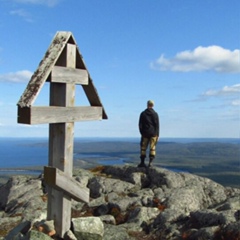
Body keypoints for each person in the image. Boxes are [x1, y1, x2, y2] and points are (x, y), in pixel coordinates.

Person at [138, 100, 159, 168]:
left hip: (145, 133)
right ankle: (150, 163)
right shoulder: (155, 114)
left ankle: (142, 163)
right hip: (153, 133)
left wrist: (142, 133)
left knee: (143, 148)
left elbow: (140, 125)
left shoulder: (143, 114)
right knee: (152, 148)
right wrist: (157, 134)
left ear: (147, 104)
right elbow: (157, 125)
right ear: (153, 105)